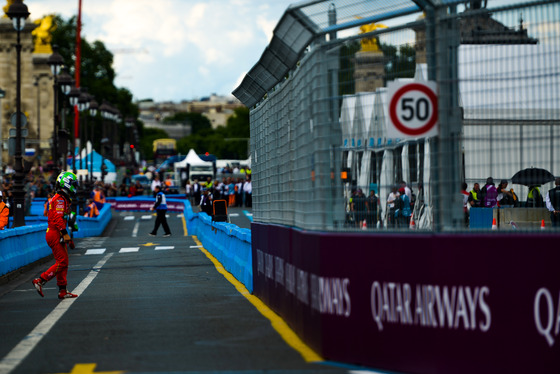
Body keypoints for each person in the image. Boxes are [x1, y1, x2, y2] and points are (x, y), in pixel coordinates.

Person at [32, 171, 79, 299]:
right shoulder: (59, 199)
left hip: (56, 232)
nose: (75, 187)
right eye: (74, 184)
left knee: (64, 262)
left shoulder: (62, 198)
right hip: (55, 233)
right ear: (67, 184)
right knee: (62, 262)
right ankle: (40, 280)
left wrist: (67, 237)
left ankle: (62, 290)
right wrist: (65, 235)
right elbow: (58, 219)